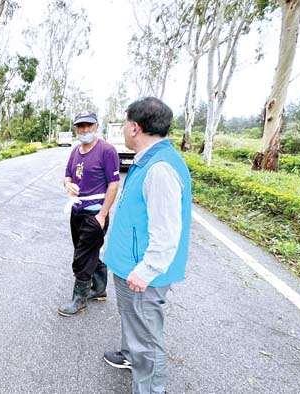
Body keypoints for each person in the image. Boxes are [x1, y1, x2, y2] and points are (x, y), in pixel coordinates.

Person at [101, 97, 192, 394]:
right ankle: (129, 356)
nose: (125, 130)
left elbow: (166, 231)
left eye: (126, 124)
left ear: (135, 128)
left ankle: (151, 388)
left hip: (142, 274)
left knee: (147, 340)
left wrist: (147, 269)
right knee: (134, 323)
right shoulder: (149, 160)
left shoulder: (160, 169)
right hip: (130, 266)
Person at [58, 111, 120, 317]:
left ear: (96, 126)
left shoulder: (107, 151)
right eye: (80, 126)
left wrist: (103, 214)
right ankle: (100, 289)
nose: (84, 130)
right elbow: (67, 175)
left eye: (88, 126)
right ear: (76, 128)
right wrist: (68, 184)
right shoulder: (75, 151)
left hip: (95, 211)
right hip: (76, 209)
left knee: (82, 257)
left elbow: (113, 184)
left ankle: (79, 299)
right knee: (86, 251)